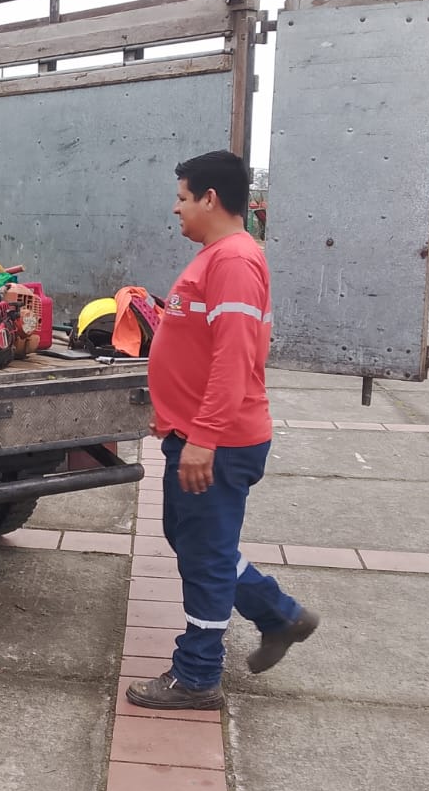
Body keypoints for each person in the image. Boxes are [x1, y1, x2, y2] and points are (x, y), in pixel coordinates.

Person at [125, 150, 319, 712]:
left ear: (210, 198)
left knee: (206, 556)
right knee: (195, 542)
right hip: (197, 433)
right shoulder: (219, 257)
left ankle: (197, 675)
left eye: (183, 197)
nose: (176, 208)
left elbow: (234, 359)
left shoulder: (232, 260)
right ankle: (280, 615)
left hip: (219, 442)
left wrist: (204, 438)